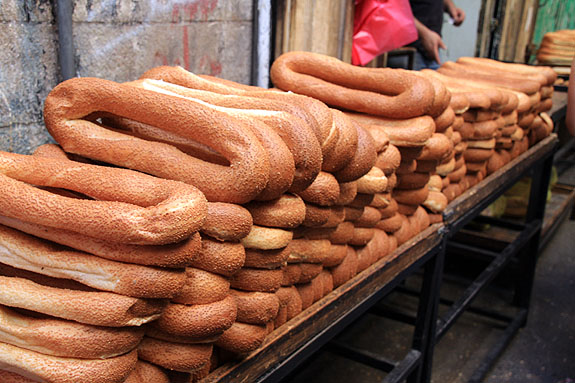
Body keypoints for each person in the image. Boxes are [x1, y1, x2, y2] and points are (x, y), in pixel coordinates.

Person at [409, 0, 465, 70]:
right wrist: (424, 34)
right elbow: (396, 11)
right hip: (409, 52)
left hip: (433, 51)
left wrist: (451, 7)